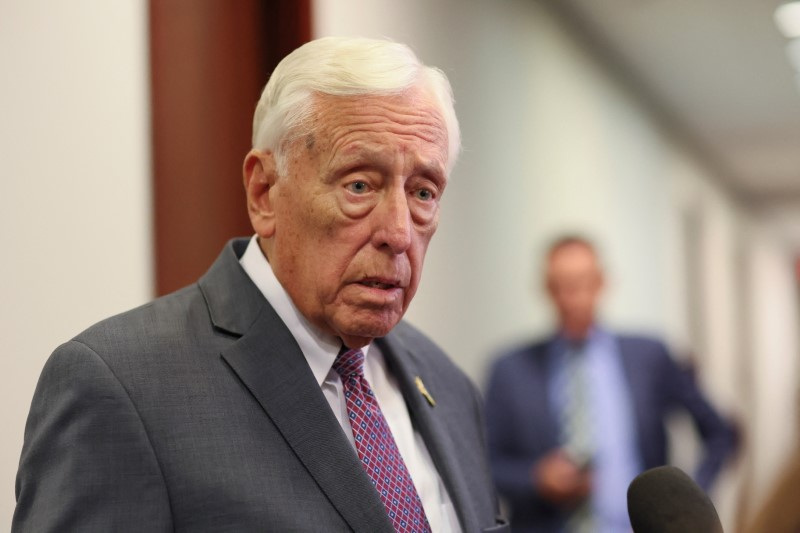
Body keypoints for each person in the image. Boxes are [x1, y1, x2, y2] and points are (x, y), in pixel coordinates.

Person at [13, 36, 507, 533]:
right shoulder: (121, 388)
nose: (399, 233)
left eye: (423, 192)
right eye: (359, 185)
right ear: (264, 192)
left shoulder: (448, 386)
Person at [484, 235, 738, 533]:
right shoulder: (511, 369)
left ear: (601, 283)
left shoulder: (649, 356)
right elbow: (485, 466)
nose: (571, 297)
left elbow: (721, 433)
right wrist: (537, 479)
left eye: (580, 283)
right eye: (559, 286)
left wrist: (688, 501)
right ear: (546, 289)